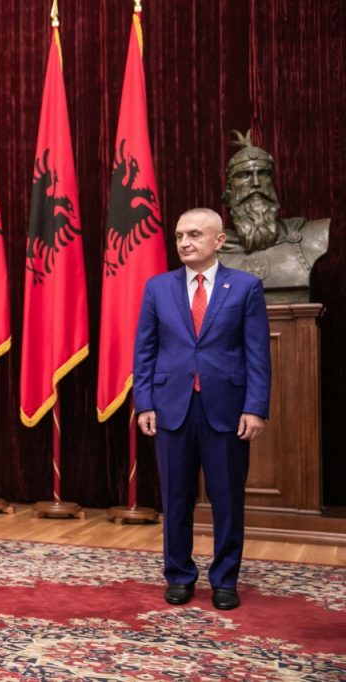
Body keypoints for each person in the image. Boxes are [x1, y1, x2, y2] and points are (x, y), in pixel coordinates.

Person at [133, 208, 271, 611]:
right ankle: (179, 575)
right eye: (179, 236)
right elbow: (145, 351)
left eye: (194, 234)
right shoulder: (158, 287)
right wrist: (145, 403)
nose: (184, 242)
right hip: (171, 407)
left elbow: (257, 354)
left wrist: (255, 407)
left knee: (227, 499)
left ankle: (225, 580)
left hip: (227, 409)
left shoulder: (245, 287)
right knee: (176, 499)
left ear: (219, 240)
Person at [218, 130, 329, 304]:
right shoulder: (213, 251)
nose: (256, 183)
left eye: (263, 174)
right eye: (244, 175)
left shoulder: (314, 237)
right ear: (230, 190)